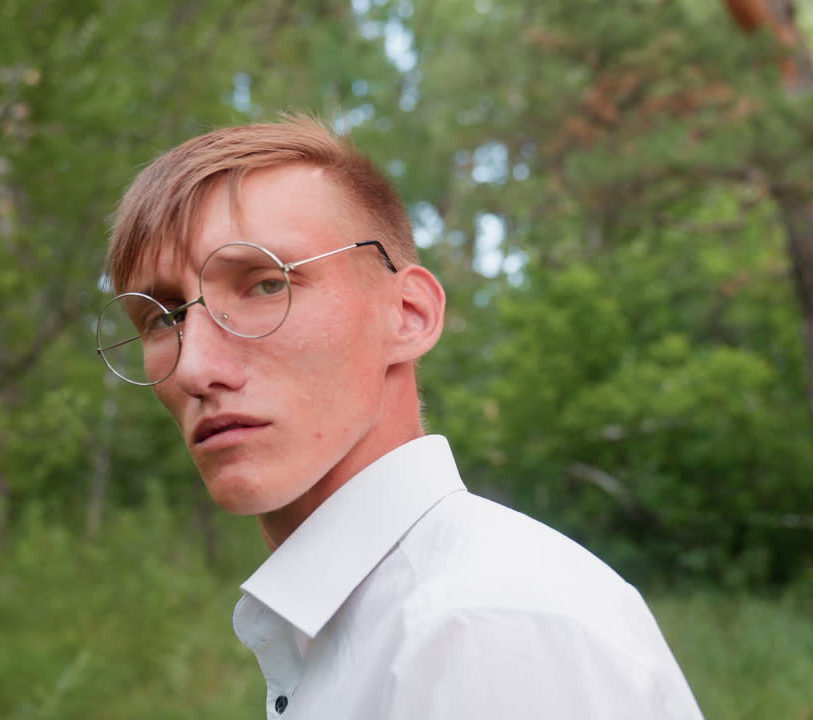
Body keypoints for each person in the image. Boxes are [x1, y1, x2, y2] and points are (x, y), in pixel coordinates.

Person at [96, 117, 705, 719]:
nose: (195, 367)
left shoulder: (481, 628)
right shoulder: (372, 623)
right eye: (165, 317)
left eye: (263, 285)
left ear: (408, 314)